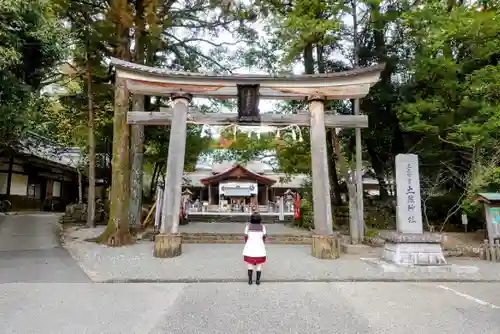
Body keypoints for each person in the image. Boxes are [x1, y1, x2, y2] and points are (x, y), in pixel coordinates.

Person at [243, 213, 267, 285]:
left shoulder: (248, 227)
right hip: (260, 248)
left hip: (249, 248)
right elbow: (264, 237)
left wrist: (248, 242)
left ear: (251, 219)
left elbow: (245, 237)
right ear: (260, 219)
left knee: (250, 265)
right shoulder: (263, 227)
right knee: (259, 265)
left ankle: (250, 280)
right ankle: (257, 281)